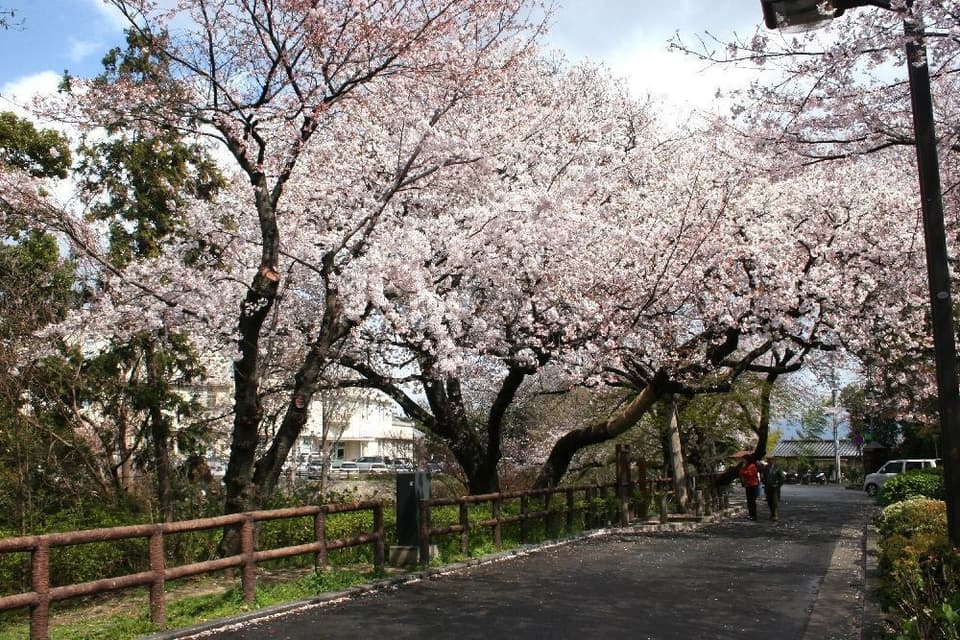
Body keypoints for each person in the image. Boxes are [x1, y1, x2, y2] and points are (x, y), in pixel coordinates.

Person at [761, 456, 786, 521]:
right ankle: (772, 513)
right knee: (769, 501)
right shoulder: (765, 468)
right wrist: (764, 482)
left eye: (771, 460)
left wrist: (778, 485)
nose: (769, 461)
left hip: (775, 487)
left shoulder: (777, 468)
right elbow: (762, 477)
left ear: (774, 461)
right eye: (768, 460)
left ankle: (775, 515)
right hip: (767, 487)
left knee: (774, 501)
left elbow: (782, 478)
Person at [738, 455, 762, 520]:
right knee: (749, 501)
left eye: (744, 459)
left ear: (747, 459)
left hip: (753, 485)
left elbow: (750, 474)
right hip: (748, 485)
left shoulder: (752, 466)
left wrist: (742, 471)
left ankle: (754, 515)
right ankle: (750, 514)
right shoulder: (745, 466)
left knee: (752, 500)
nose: (743, 461)